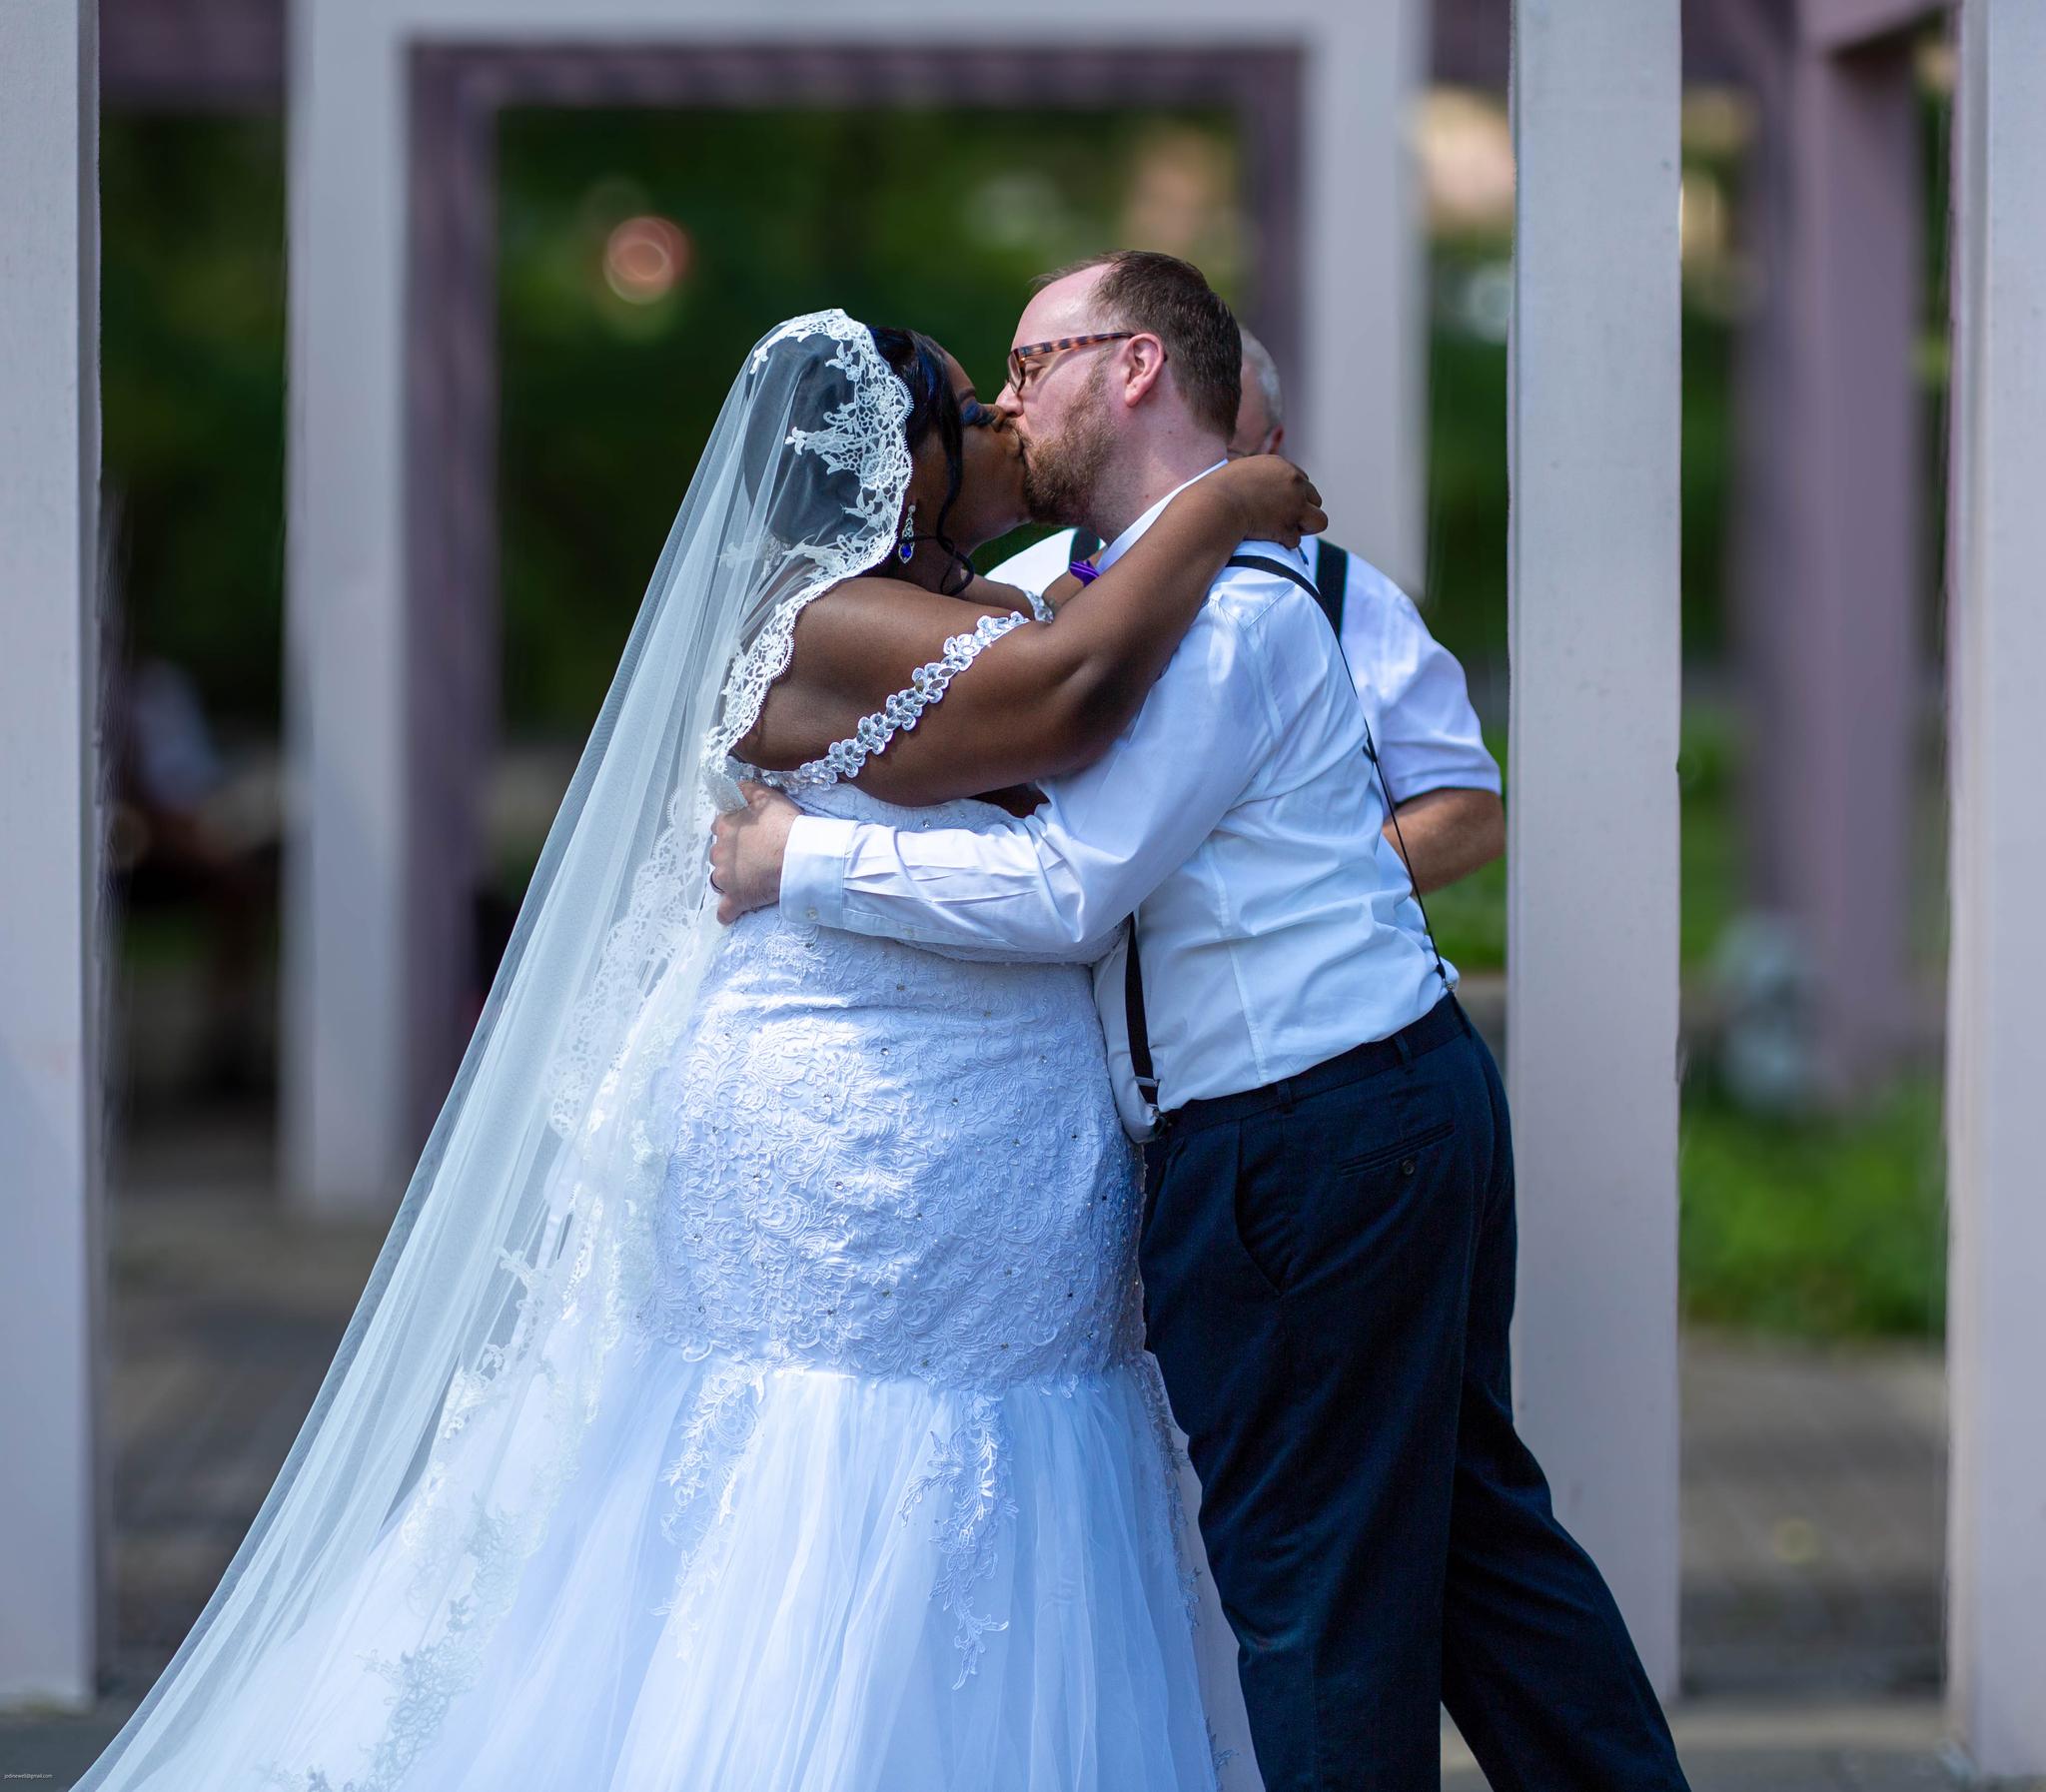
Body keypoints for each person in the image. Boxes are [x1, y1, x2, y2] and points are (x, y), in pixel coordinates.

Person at [73, 310, 1322, 1792]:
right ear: (896, 462)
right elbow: (1071, 696)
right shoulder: (822, 618)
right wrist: (1227, 501)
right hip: (858, 1151)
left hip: (1005, 1156)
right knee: (833, 1465)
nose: (1003, 418)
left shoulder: (944, 592)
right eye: (969, 412)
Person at [711, 253, 1691, 1792]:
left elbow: (1066, 894)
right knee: (1466, 1546)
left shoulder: (1226, 619)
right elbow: (1002, 678)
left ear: (1138, 368)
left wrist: (798, 859)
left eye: (1029, 368)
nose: (1009, 405)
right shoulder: (1071, 592)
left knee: (1316, 1602)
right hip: (1363, 1107)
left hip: (1308, 1132)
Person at [989, 326, 1503, 896]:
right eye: (1173, 446)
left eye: (1225, 457)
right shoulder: (1020, 583)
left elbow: (1470, 811)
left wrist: (1316, 889)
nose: (1195, 486)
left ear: (1273, 449)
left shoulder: (1357, 598)